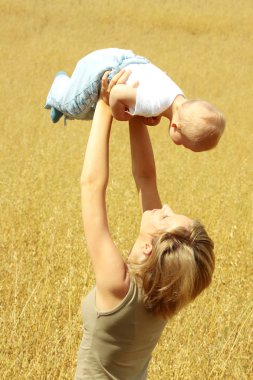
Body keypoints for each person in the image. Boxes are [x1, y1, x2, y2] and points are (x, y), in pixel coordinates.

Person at [75, 70, 215, 379]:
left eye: (166, 215)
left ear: (150, 246)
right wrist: (136, 113)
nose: (162, 206)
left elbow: (91, 186)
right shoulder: (168, 289)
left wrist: (105, 104)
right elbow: (146, 178)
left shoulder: (117, 284)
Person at [45, 48, 225, 152]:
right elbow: (116, 94)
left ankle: (62, 102)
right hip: (102, 69)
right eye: (185, 145)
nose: (182, 147)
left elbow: (155, 85)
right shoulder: (154, 104)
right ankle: (59, 88)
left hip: (126, 59)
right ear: (175, 127)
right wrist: (119, 114)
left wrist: (151, 113)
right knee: (76, 106)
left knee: (91, 112)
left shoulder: (177, 97)